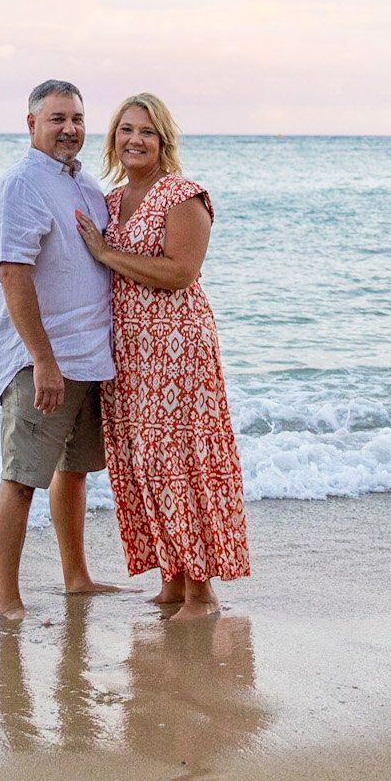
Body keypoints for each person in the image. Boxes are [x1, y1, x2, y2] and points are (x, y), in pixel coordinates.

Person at [76, 93, 250, 619]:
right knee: (145, 464)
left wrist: (106, 253)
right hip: (128, 351)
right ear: (113, 139)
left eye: (147, 132)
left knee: (182, 461)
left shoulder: (182, 195)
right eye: (126, 129)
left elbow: (181, 273)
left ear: (163, 141)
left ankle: (202, 591)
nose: (135, 139)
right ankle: (171, 580)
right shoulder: (110, 201)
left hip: (177, 349)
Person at [0, 80, 120, 620]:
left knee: (73, 472)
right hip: (42, 360)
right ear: (31, 123)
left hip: (92, 358)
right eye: (58, 118)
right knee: (21, 479)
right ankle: (9, 602)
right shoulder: (21, 185)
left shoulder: (85, 186)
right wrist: (42, 358)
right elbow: (12, 273)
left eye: (78, 119)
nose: (70, 129)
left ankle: (76, 578)